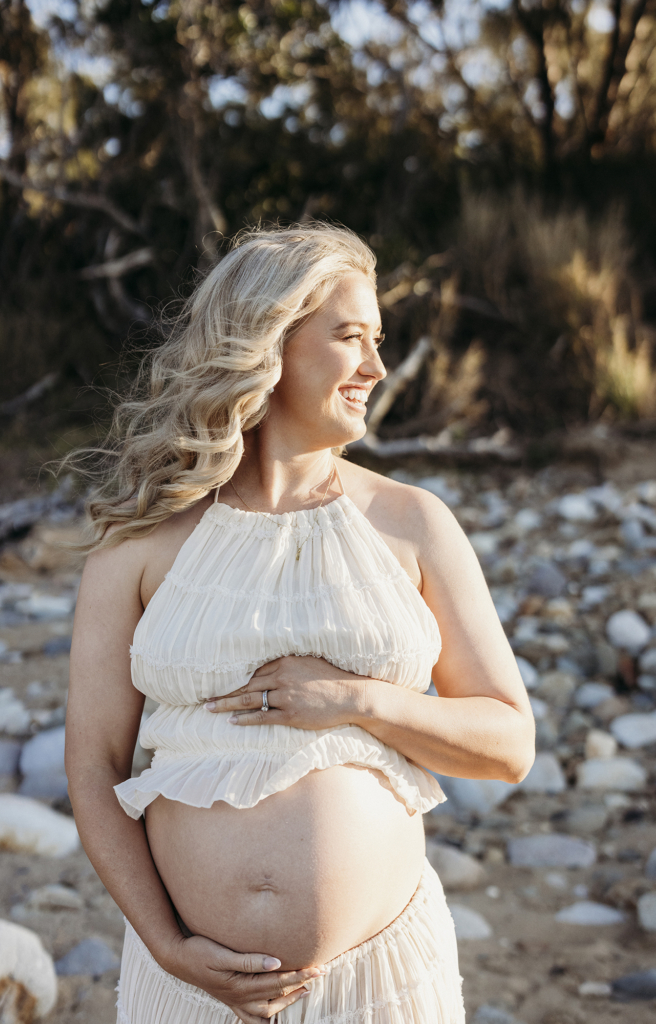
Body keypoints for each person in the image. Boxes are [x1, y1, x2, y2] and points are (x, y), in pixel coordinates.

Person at [65, 223, 535, 1024]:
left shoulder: (412, 523)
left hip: (382, 979)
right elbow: (92, 766)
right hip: (189, 984)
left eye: (378, 340)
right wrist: (166, 945)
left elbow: (509, 743)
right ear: (266, 341)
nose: (376, 367)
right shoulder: (139, 541)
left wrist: (358, 700)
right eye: (351, 337)